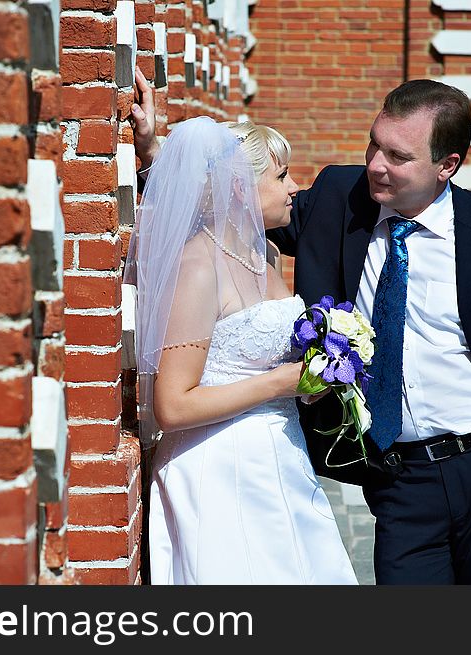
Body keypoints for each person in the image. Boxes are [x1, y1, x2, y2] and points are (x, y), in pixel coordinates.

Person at [132, 77, 471, 584]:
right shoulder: (337, 200)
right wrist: (155, 152)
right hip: (399, 475)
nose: (376, 165)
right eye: (374, 144)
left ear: (446, 166)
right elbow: (227, 208)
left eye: (398, 155)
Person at [125, 111, 357, 584]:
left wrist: (311, 380)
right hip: (219, 468)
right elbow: (171, 405)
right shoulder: (197, 268)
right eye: (281, 176)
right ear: (238, 188)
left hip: (280, 457)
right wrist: (281, 382)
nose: (295, 187)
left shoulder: (265, 252)